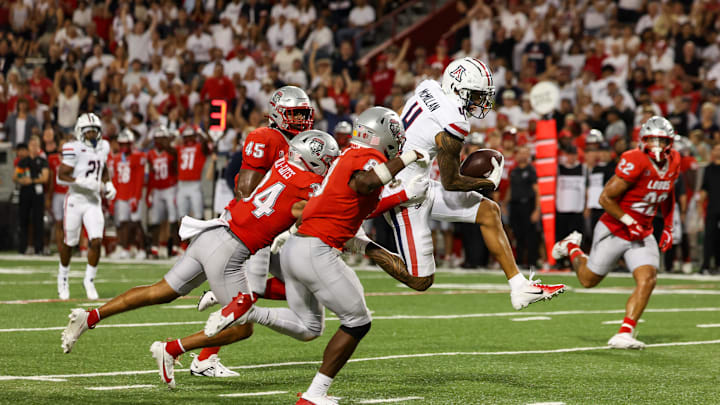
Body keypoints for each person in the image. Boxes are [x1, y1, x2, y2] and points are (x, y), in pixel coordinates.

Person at [60, 131, 341, 386]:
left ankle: (91, 316)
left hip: (213, 231)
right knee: (242, 328)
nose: (330, 166)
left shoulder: (281, 167)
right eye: (328, 161)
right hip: (230, 252)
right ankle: (172, 349)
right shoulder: (311, 185)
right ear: (316, 162)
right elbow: (317, 214)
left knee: (158, 291)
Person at [204, 107, 428, 405]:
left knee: (310, 327)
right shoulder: (366, 157)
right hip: (317, 249)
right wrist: (409, 158)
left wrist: (401, 196)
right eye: (395, 134)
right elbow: (365, 184)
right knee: (358, 322)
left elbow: (352, 203)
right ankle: (314, 394)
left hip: (298, 245)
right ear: (380, 134)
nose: (398, 140)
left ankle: (246, 310)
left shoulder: (348, 156)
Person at [382, 57, 565, 309]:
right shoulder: (453, 123)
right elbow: (451, 182)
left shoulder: (428, 88)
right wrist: (487, 181)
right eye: (477, 96)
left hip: (414, 180)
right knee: (421, 280)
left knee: (489, 211)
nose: (481, 103)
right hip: (404, 195)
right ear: (458, 89)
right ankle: (363, 245)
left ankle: (519, 287)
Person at [553, 116, 680, 349]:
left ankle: (625, 332)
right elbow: (605, 198)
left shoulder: (674, 162)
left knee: (648, 279)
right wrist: (628, 220)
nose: (657, 147)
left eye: (661, 141)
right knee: (587, 280)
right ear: (643, 141)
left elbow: (668, 192)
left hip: (642, 233)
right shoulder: (635, 160)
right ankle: (571, 246)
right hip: (615, 228)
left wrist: (669, 226)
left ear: (670, 142)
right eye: (652, 140)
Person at [56, 113, 116, 300]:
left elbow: (103, 168)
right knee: (70, 243)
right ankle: (63, 277)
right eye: (88, 131)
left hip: (93, 201)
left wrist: (108, 183)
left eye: (94, 131)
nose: (91, 135)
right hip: (75, 200)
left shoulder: (104, 146)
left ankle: (89, 280)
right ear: (79, 132)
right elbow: (61, 175)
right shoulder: (73, 148)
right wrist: (82, 181)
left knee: (96, 240)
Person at [109, 129, 146, 259]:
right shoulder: (116, 159)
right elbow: (115, 180)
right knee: (123, 223)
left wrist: (136, 197)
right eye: (122, 144)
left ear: (131, 144)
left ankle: (142, 249)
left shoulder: (138, 157)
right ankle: (126, 248)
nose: (124, 147)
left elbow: (139, 178)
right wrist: (113, 199)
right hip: (121, 194)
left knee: (136, 223)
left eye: (126, 144)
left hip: (133, 195)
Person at [13, 135, 49, 255]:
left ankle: (39, 247)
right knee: (23, 219)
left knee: (38, 220)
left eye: (35, 145)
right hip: (25, 192)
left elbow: (45, 177)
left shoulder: (42, 160)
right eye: (31, 145)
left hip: (37, 194)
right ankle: (23, 247)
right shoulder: (23, 161)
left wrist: (32, 181)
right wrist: (23, 180)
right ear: (28, 146)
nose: (33, 147)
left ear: (38, 146)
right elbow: (15, 176)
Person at [146, 126, 178, 258]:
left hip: (171, 188)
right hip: (157, 189)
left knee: (173, 219)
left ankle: (175, 247)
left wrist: (168, 145)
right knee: (155, 219)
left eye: (162, 139)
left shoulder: (172, 152)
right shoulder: (151, 154)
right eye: (157, 139)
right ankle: (156, 247)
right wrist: (150, 192)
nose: (159, 142)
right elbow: (151, 174)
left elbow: (176, 167)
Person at [505, 145, 539, 268]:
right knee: (517, 234)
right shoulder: (513, 171)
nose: (522, 156)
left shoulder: (532, 170)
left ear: (528, 155)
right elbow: (510, 188)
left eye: (525, 153)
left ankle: (532, 262)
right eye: (520, 153)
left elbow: (537, 191)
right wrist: (504, 204)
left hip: (528, 205)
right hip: (515, 205)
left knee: (530, 235)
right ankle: (519, 261)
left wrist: (537, 209)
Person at [176, 125, 212, 220]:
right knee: (181, 217)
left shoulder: (199, 147)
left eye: (190, 136)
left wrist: (199, 131)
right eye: (186, 137)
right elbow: (168, 147)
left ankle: (200, 235)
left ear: (195, 136)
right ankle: (183, 235)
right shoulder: (179, 148)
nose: (188, 139)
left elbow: (207, 143)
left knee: (198, 215)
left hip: (194, 184)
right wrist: (178, 132)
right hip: (181, 184)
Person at [699, 143, 720, 275]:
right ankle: (706, 265)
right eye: (716, 149)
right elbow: (704, 189)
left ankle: (718, 265)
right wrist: (699, 207)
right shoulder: (708, 169)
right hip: (712, 208)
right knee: (709, 237)